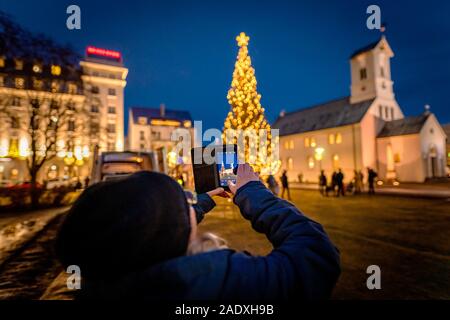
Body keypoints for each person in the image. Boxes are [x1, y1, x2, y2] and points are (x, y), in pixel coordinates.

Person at [54, 164, 340, 300]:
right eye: (185, 202)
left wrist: (204, 199)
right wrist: (254, 192)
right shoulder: (211, 283)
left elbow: (160, 224)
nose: (192, 205)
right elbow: (315, 258)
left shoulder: (106, 278)